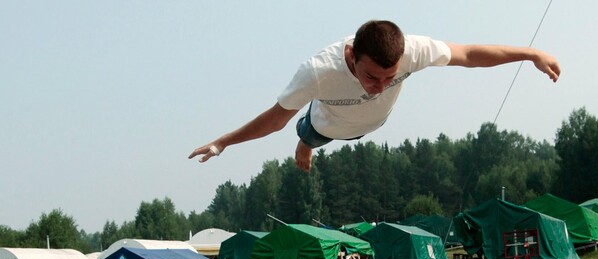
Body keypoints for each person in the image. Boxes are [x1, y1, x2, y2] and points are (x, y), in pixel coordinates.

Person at [189, 20, 560, 172]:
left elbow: (469, 55)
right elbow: (273, 119)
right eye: (370, 76)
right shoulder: (318, 72)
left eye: (389, 77)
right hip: (327, 126)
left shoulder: (414, 50)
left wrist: (529, 54)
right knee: (310, 133)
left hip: (376, 122)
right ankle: (304, 145)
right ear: (351, 56)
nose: (379, 86)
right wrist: (224, 142)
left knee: (374, 110)